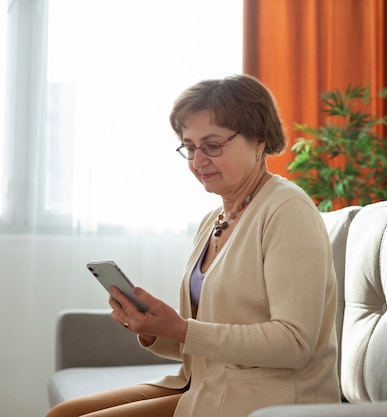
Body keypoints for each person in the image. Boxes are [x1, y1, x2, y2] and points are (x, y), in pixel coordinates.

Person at [46, 74, 341, 417]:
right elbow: (204, 341)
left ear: (259, 140)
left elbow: (294, 344)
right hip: (202, 383)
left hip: (267, 398)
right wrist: (155, 328)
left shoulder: (287, 211)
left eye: (212, 145)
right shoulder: (215, 219)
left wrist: (182, 328)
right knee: (62, 414)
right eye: (189, 147)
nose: (198, 161)